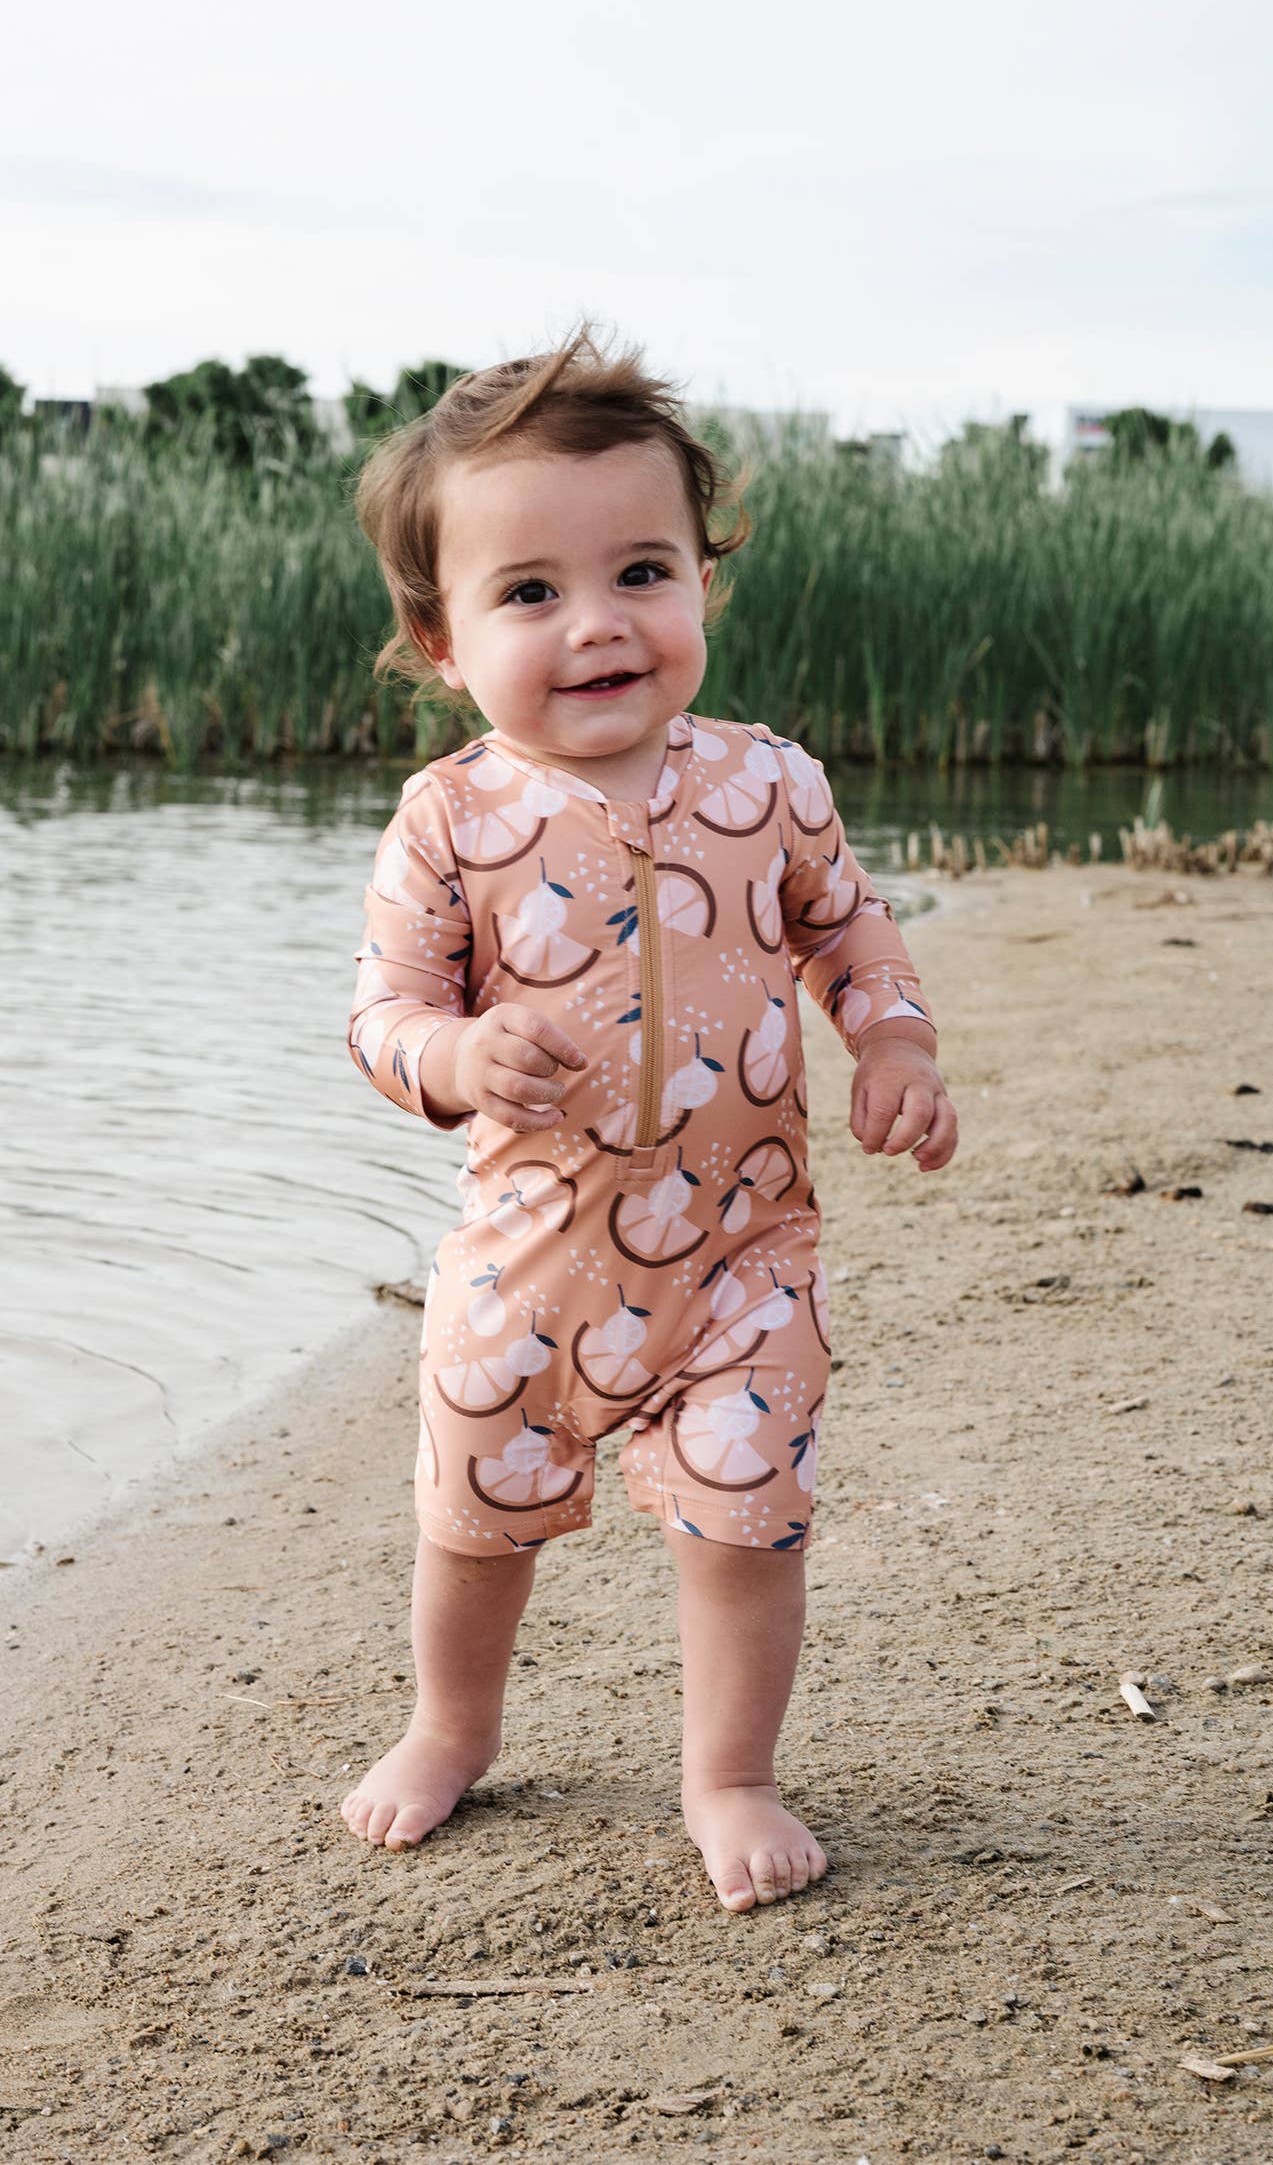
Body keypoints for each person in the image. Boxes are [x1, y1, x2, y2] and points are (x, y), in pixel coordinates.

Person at [342, 325, 957, 1911]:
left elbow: (850, 933)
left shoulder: (769, 785)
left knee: (749, 1521)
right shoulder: (453, 819)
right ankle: (449, 1726)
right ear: (438, 638)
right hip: (530, 1258)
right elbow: (381, 1017)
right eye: (529, 593)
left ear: (701, 583)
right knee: (478, 1515)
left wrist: (892, 1047)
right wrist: (459, 1058)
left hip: (745, 1251)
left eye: (641, 571)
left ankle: (727, 1771)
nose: (598, 624)